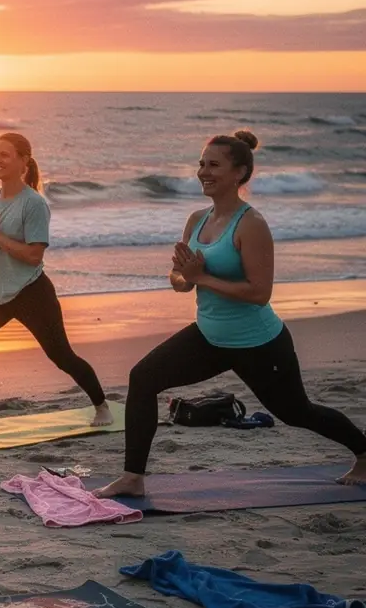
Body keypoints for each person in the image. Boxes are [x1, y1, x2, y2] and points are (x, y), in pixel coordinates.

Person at [95, 130, 366, 499]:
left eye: (214, 165)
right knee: (142, 377)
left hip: (258, 343)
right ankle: (132, 477)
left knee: (296, 412)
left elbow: (259, 292)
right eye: (201, 164)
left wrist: (201, 276)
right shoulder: (196, 220)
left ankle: (364, 452)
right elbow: (179, 279)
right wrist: (183, 277)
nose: (203, 172)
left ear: (239, 173)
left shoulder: (251, 224)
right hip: (210, 336)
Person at [0, 133, 112, 440]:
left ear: (23, 161)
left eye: (4, 155)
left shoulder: (34, 204)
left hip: (31, 292)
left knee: (61, 355)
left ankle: (102, 405)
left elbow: (34, 256)